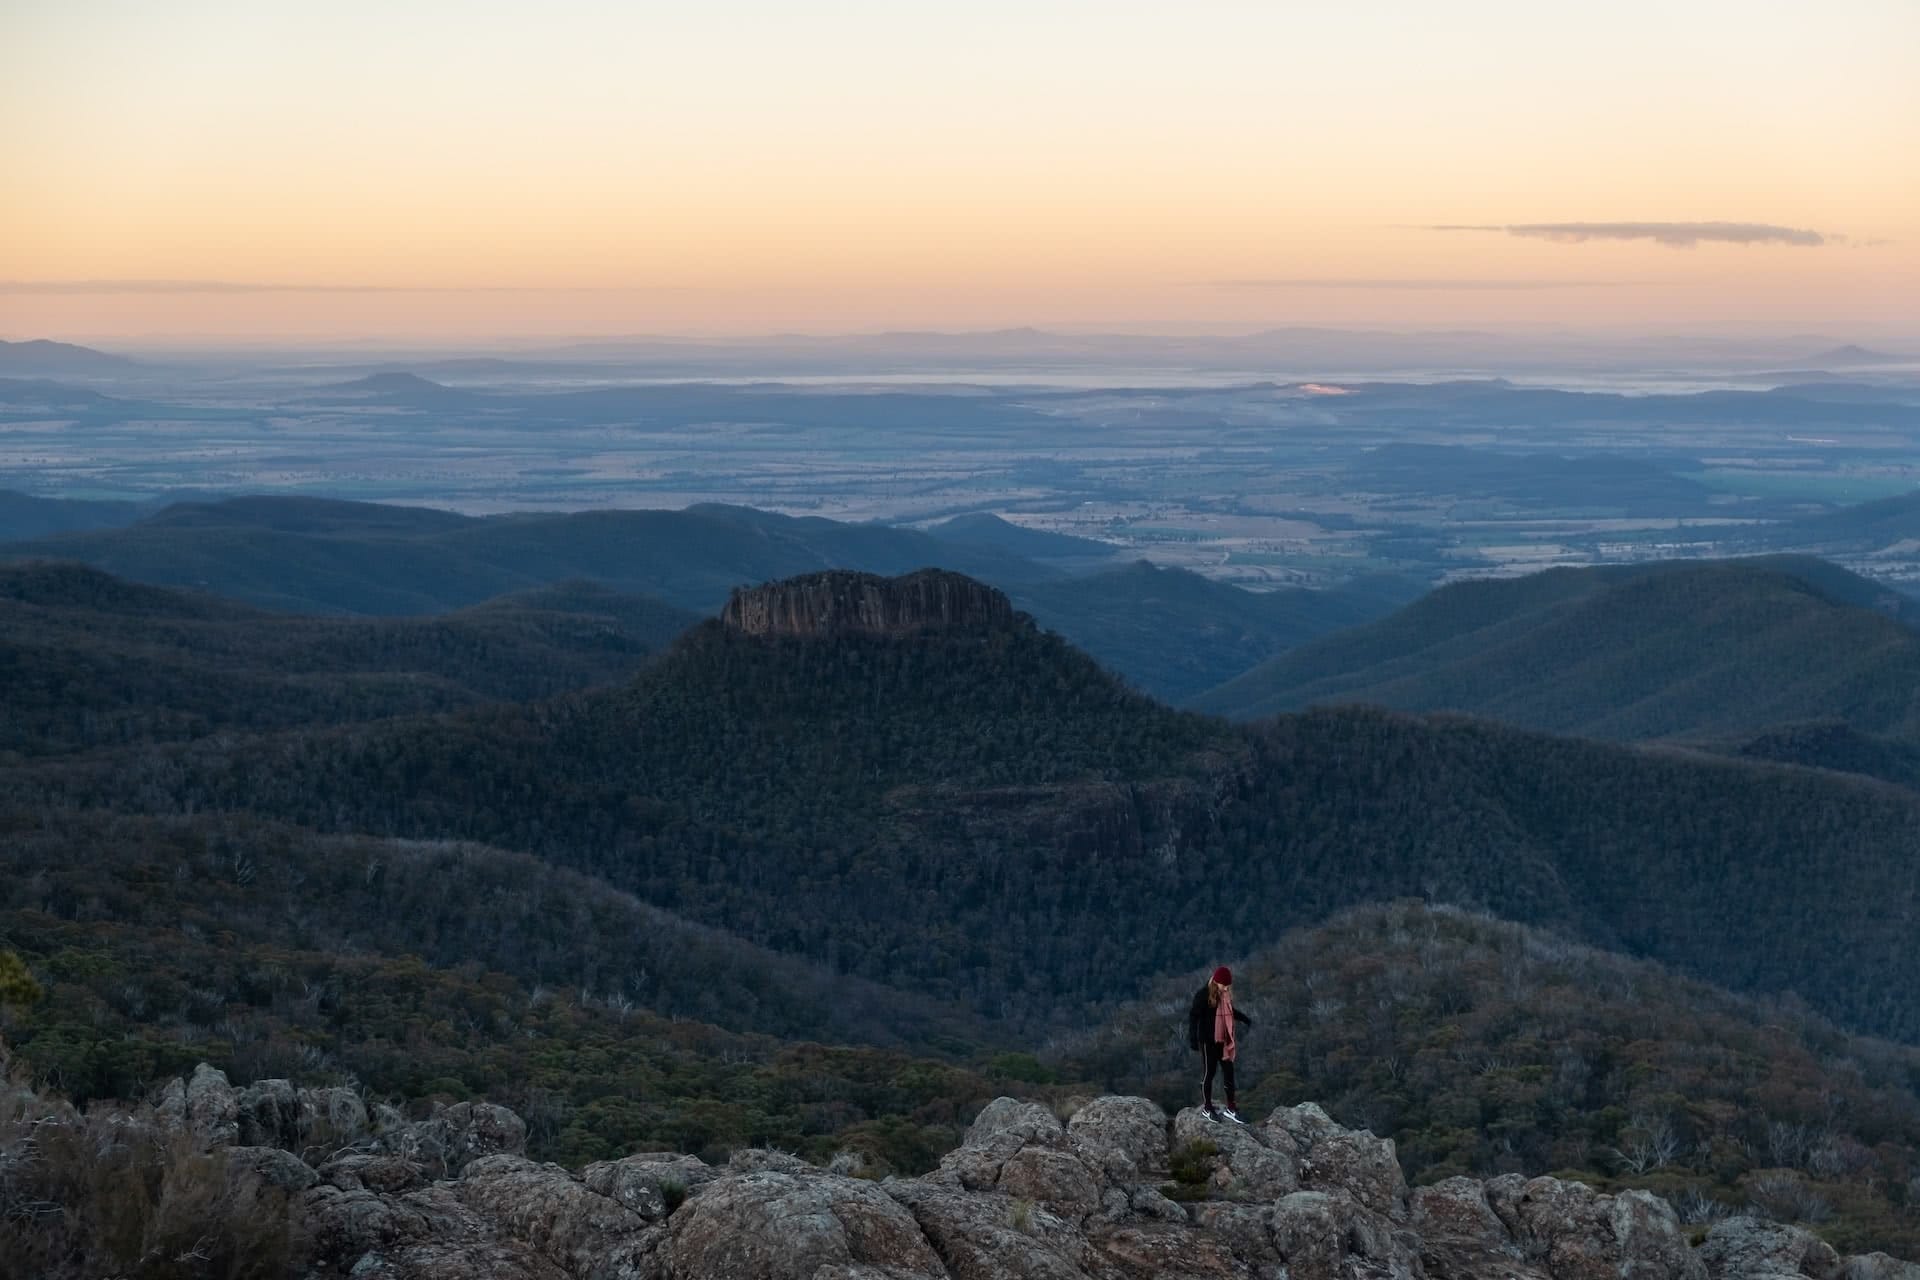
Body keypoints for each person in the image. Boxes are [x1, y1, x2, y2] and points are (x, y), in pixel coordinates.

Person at [1187, 965, 1251, 1122]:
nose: (1226, 988)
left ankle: (1231, 1107)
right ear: (1216, 982)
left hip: (1223, 1040)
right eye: (1224, 985)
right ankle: (1207, 1108)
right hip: (1208, 1041)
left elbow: (1230, 1011)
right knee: (1209, 1073)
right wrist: (1193, 1039)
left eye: (1228, 985)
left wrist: (1244, 1018)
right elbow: (1193, 1017)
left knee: (1229, 1072)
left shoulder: (1225, 995)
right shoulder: (1203, 995)